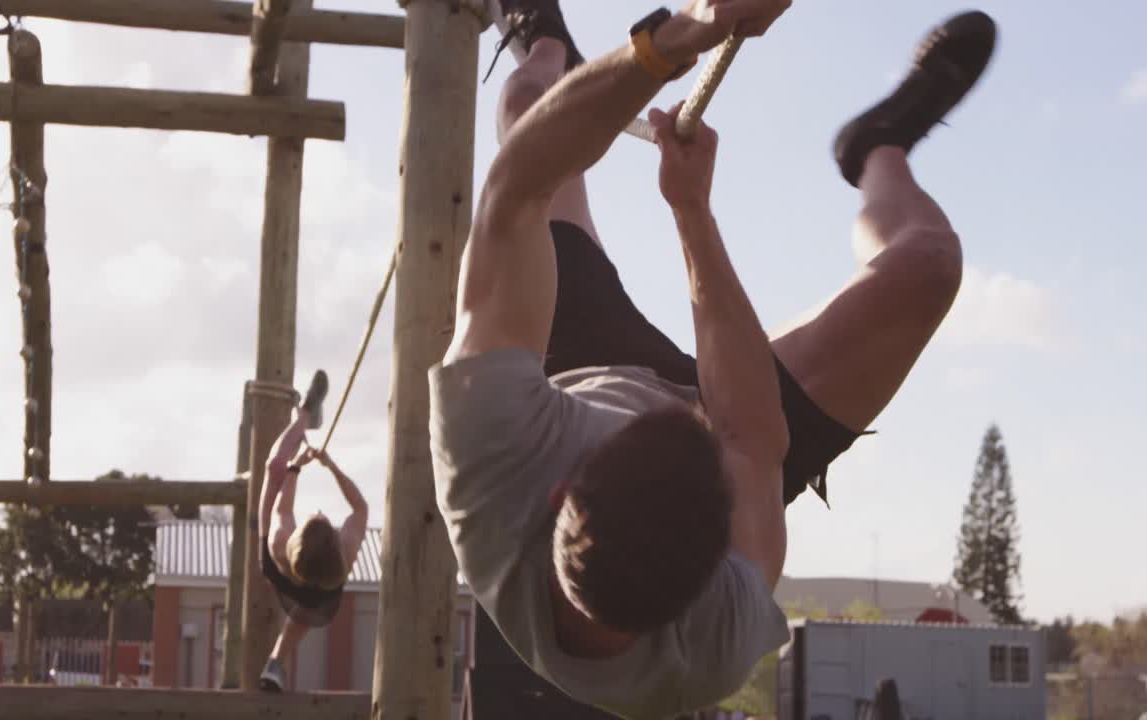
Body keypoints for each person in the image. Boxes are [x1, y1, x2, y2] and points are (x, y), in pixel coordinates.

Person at [429, 1, 996, 718]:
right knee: (930, 266)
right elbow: (749, 435)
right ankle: (878, 148)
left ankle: (544, 37)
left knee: (529, 107)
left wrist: (688, 30)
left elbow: (516, 184)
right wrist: (693, 212)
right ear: (712, 565)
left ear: (560, 492)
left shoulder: (494, 463)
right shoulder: (716, 633)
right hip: (731, 436)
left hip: (572, 370)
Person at [255, 370, 370, 693]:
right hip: (319, 598)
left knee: (275, 468)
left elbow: (283, 509)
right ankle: (276, 663)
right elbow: (360, 507)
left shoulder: (279, 542)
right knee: (301, 618)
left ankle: (305, 415)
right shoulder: (345, 552)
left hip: (284, 575)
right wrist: (330, 466)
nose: (320, 511)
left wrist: (296, 467)